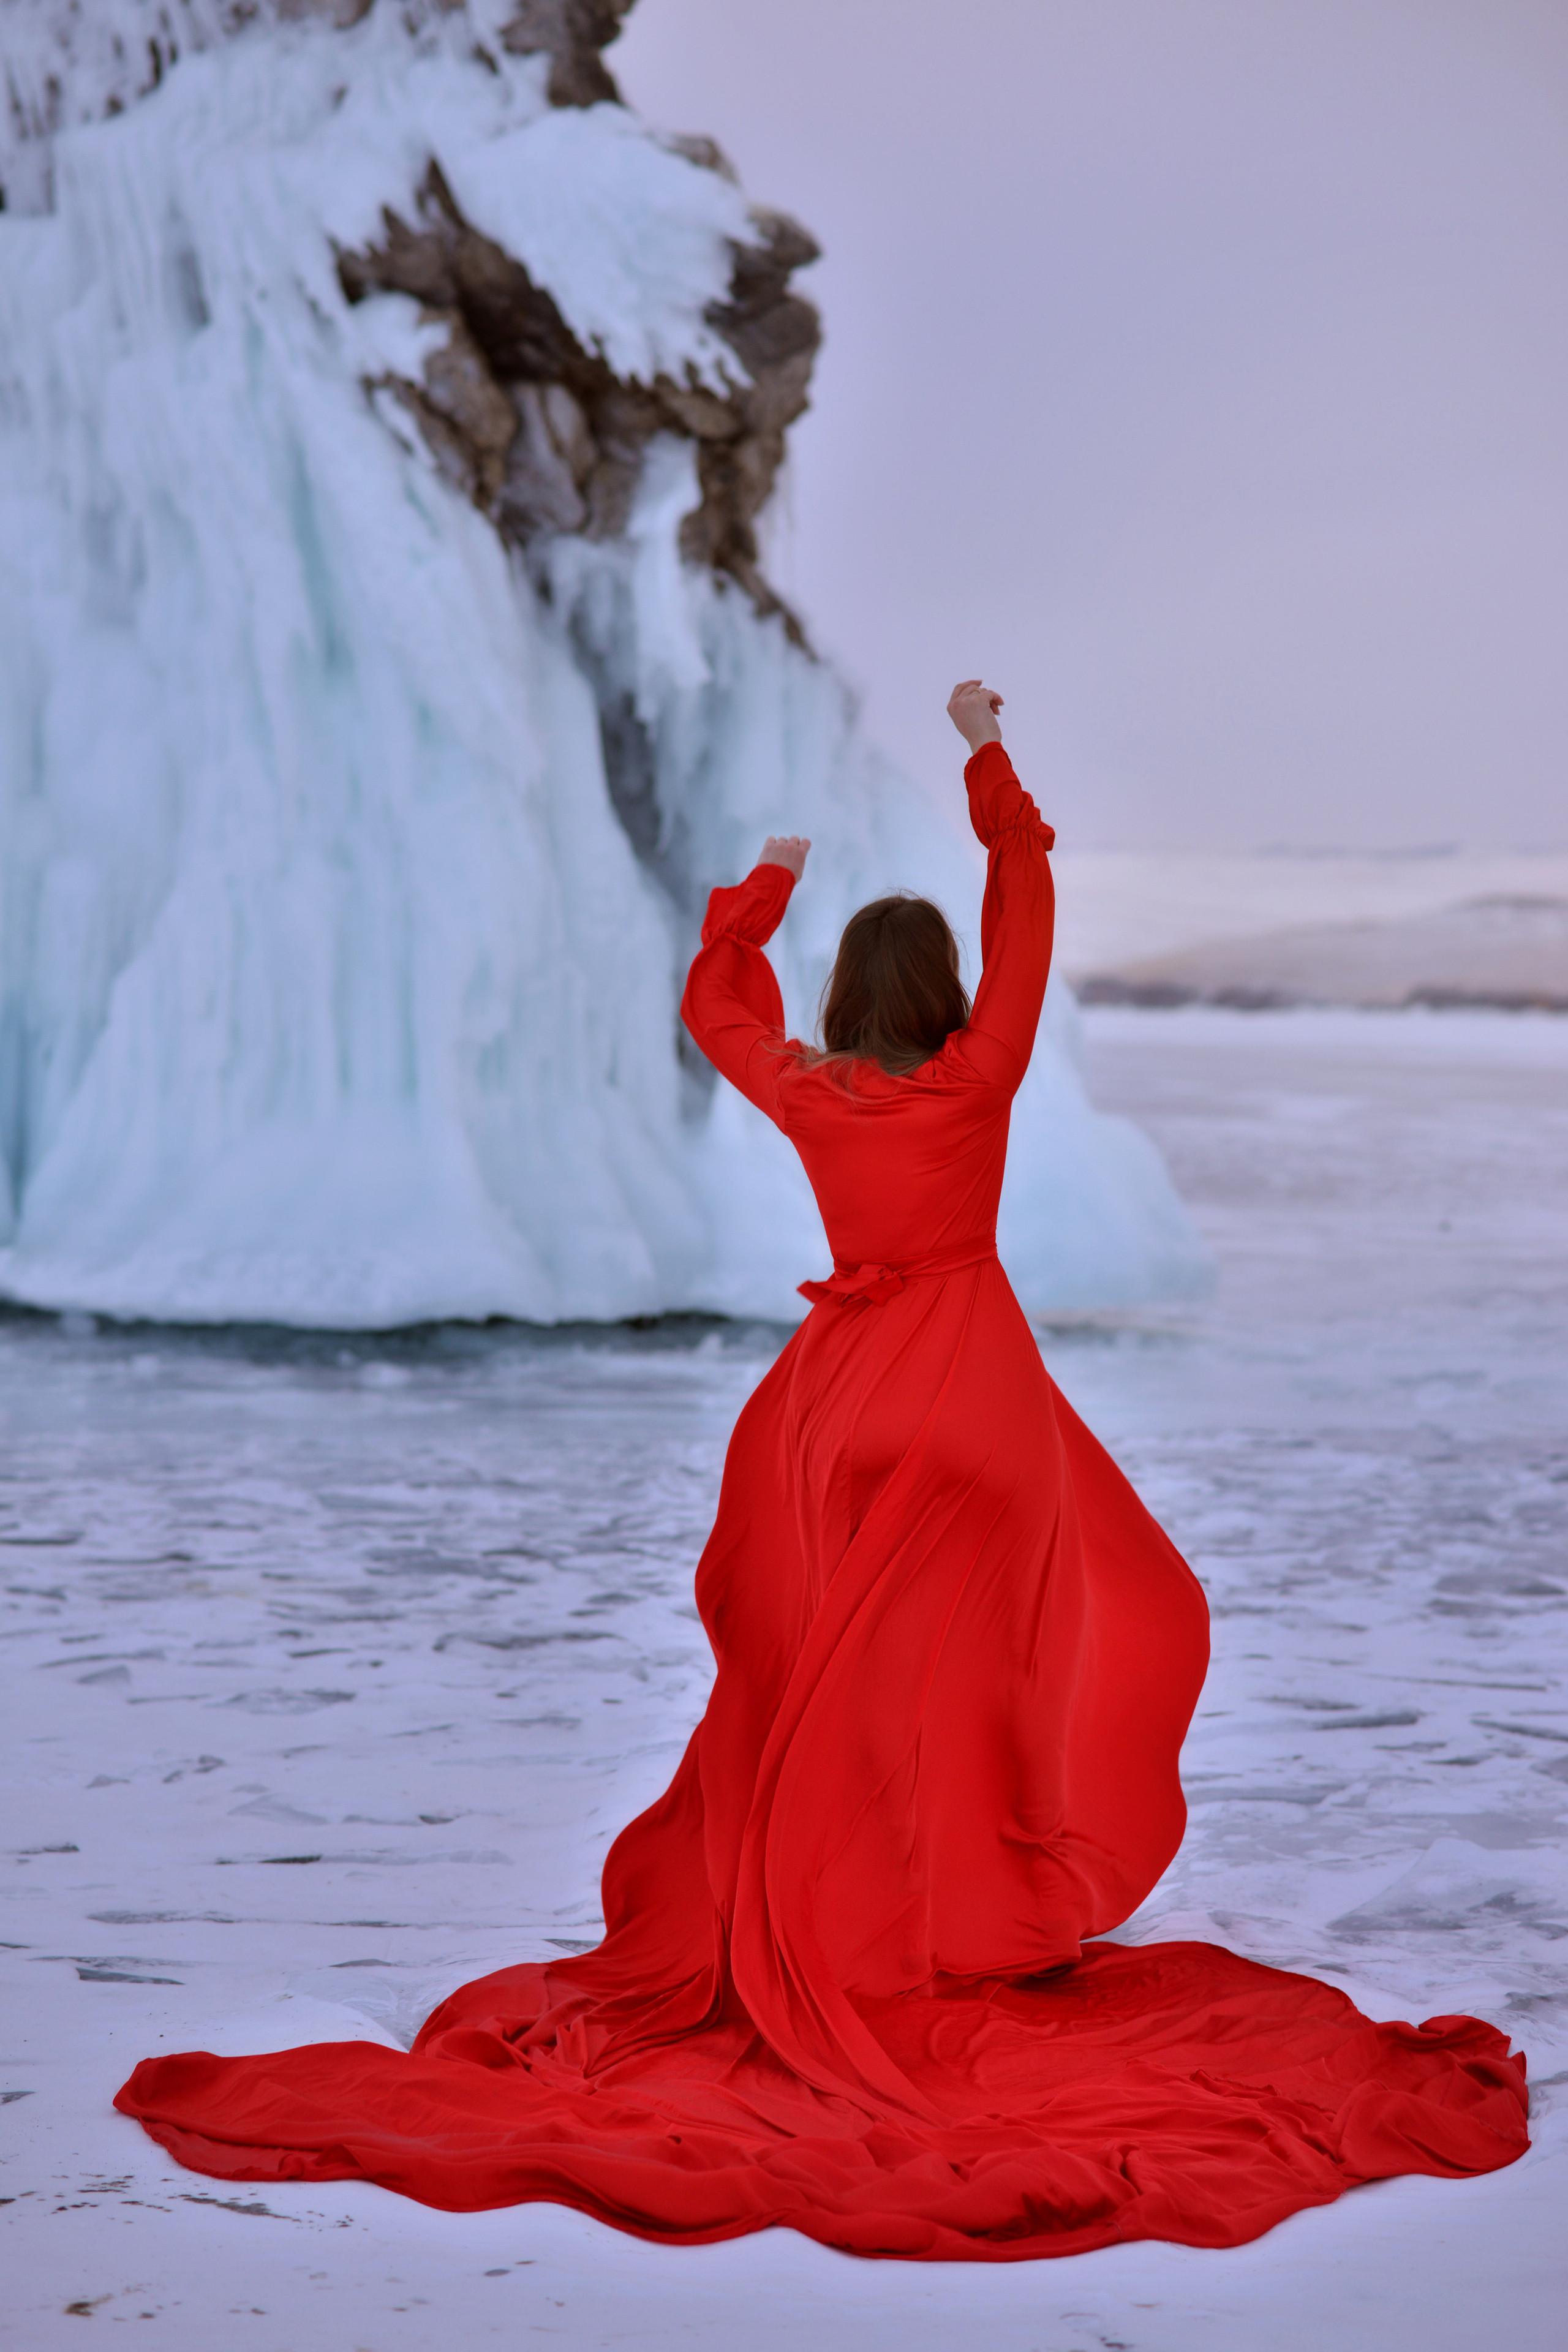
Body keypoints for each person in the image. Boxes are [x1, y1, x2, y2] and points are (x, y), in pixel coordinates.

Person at [115, 682, 1527, 2258]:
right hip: (973, 1407)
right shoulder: (972, 1081)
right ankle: (949, 1917)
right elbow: (1028, 910)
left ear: (851, 994)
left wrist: (762, 891)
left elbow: (713, 1007)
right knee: (984, 1674)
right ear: (937, 998)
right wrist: (986, 755)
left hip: (830, 1410)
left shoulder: (812, 1088)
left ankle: (829, 1913)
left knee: (822, 1691)